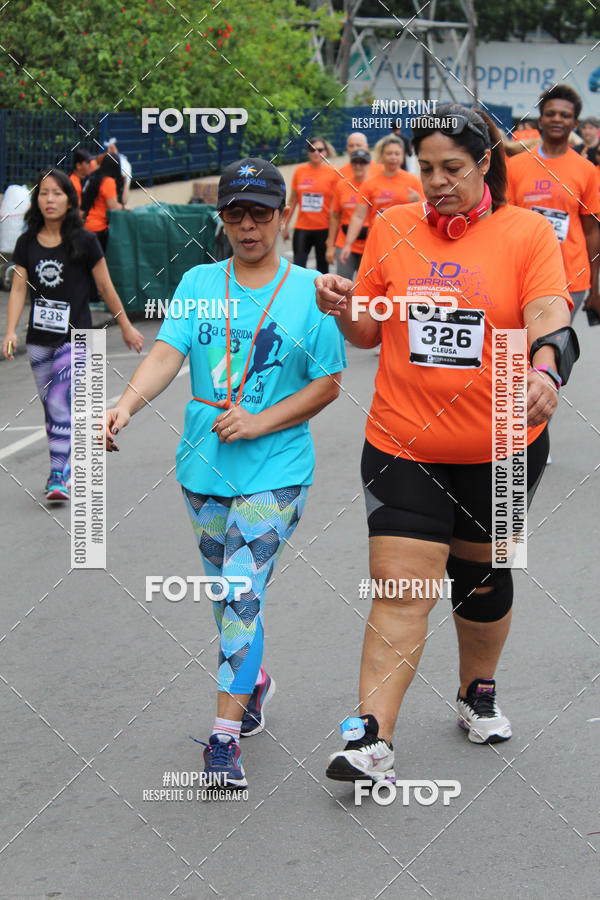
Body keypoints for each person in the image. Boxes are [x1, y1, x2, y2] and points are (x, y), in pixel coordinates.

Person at [314, 104, 578, 784]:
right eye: (426, 168)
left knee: (482, 580)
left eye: (452, 168)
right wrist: (348, 307)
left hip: (507, 443)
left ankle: (475, 691)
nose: (435, 182)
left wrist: (547, 367)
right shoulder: (394, 227)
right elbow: (370, 333)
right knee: (403, 587)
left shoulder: (524, 233)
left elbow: (552, 313)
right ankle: (370, 736)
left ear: (484, 164)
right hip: (404, 440)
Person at [103, 158, 346, 789]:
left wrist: (261, 422)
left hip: (277, 468)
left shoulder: (311, 291)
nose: (247, 226)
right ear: (222, 219)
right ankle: (254, 680)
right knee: (229, 601)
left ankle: (222, 741)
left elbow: (328, 385)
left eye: (260, 214)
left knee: (239, 591)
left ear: (284, 218)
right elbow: (166, 353)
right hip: (201, 466)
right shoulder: (199, 283)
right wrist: (126, 403)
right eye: (235, 214)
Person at [1, 169, 144, 500]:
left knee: (58, 402)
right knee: (53, 410)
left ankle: (56, 477)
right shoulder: (26, 242)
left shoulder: (86, 241)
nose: (50, 200)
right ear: (37, 200)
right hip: (39, 339)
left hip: (77, 338)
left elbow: (105, 286)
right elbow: (19, 288)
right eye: (44, 193)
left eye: (57, 193)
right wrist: (10, 331)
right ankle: (64, 469)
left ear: (69, 200)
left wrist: (125, 325)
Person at [507, 85, 600, 322]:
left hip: (570, 278)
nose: (557, 119)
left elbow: (591, 231)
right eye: (551, 114)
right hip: (522, 274)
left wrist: (594, 287)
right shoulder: (516, 166)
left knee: (554, 348)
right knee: (517, 348)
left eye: (565, 115)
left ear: (574, 124)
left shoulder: (586, 170)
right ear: (541, 120)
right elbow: (503, 224)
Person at [339, 135, 424, 266]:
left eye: (397, 153)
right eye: (389, 153)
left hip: (404, 242)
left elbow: (425, 213)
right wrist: (348, 244)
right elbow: (358, 216)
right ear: (382, 156)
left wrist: (417, 200)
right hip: (378, 240)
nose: (393, 157)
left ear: (402, 157)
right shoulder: (369, 184)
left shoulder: (413, 181)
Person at [283, 137, 338, 272]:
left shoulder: (333, 173)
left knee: (322, 270)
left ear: (325, 152)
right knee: (298, 268)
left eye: (320, 150)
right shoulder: (300, 171)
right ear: (307, 152)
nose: (316, 153)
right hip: (302, 228)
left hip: (323, 228)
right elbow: (292, 200)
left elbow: (336, 208)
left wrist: (333, 237)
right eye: (312, 149)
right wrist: (285, 225)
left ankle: (321, 294)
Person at [326, 148, 372, 279]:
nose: (358, 166)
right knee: (342, 285)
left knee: (366, 286)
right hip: (345, 241)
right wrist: (330, 245)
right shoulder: (342, 185)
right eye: (355, 162)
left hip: (368, 243)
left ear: (368, 164)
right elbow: (334, 216)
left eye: (362, 162)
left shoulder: (374, 184)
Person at [81, 152, 127, 251]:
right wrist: (125, 208)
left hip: (88, 226)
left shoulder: (97, 180)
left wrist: (125, 182)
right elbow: (113, 206)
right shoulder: (108, 182)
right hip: (99, 229)